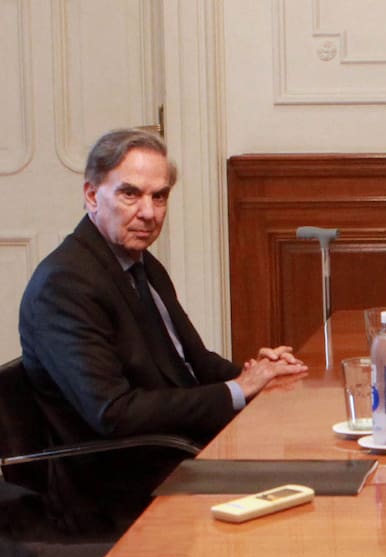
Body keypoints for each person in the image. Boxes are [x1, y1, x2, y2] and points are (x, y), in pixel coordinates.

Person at [19, 129, 307, 531]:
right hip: (121, 485)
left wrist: (260, 373)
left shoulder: (140, 263)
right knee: (302, 499)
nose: (149, 212)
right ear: (90, 196)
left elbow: (193, 362)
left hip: (174, 453)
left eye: (160, 196)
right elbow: (113, 413)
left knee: (312, 462)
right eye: (130, 194)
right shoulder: (65, 284)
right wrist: (238, 390)